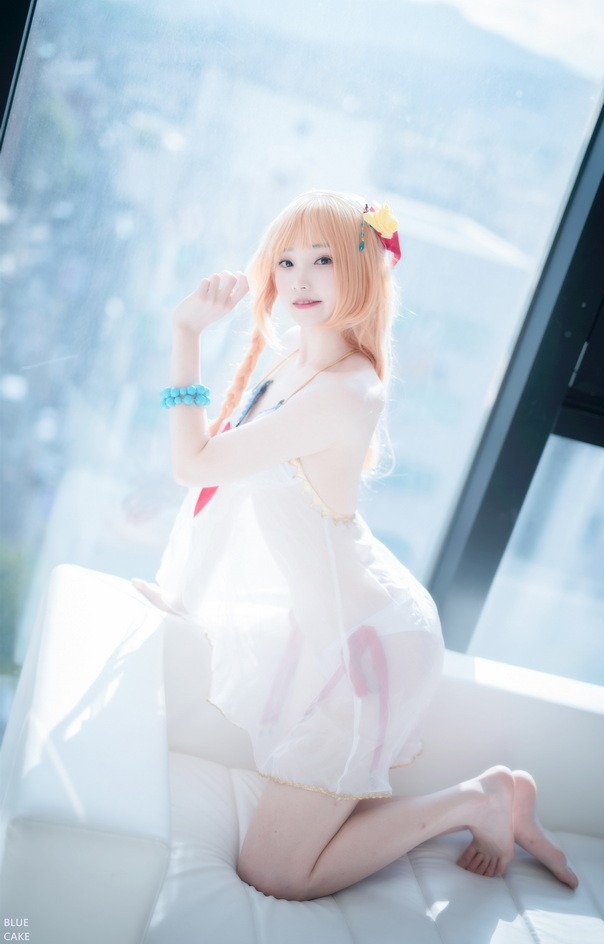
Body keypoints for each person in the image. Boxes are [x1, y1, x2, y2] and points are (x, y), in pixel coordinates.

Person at [134, 190, 578, 901]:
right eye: (286, 261)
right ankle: (487, 796)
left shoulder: (348, 391)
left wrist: (185, 335)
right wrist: (180, 595)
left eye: (324, 260)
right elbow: (225, 488)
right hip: (334, 629)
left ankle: (478, 799)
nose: (300, 279)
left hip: (370, 648)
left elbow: (196, 465)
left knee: (275, 873)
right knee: (314, 818)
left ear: (364, 270)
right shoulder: (290, 360)